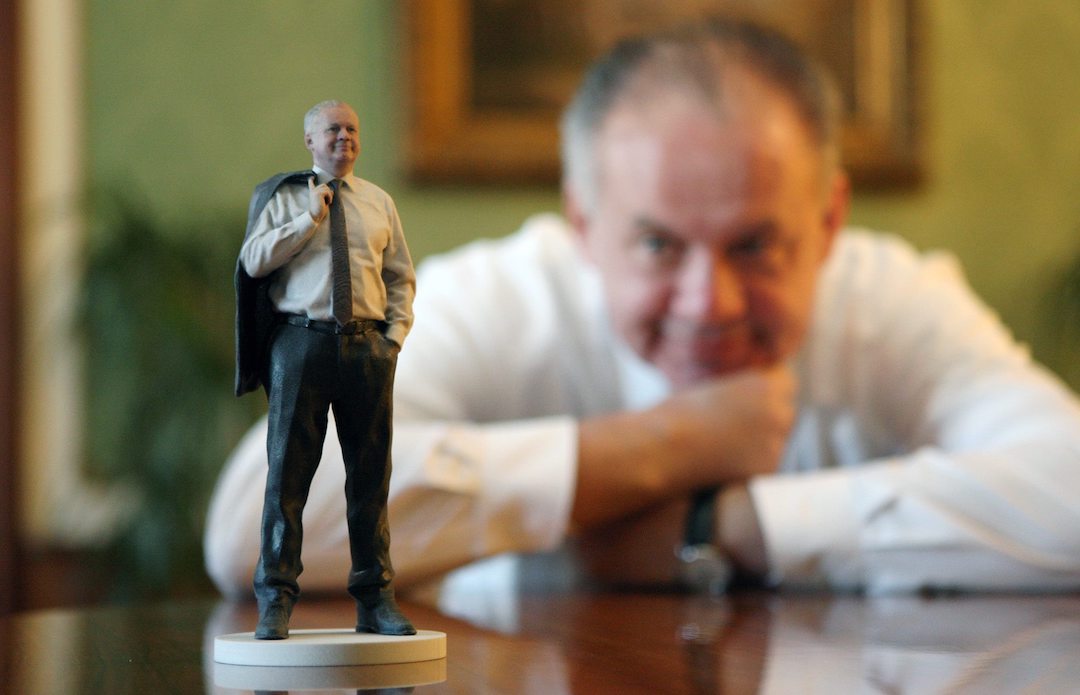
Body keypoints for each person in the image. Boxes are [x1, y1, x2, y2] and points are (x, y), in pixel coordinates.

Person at [209, 19, 1080, 604]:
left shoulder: (887, 296)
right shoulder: (502, 298)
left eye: (755, 245)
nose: (711, 302)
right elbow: (251, 522)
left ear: (827, 224)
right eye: (659, 244)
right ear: (584, 225)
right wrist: (665, 445)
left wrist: (724, 528)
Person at [234, 100, 416, 638]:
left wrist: (393, 338)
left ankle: (375, 598)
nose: (344, 137)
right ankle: (275, 598)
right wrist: (309, 217)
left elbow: (399, 276)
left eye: (352, 128)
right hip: (301, 345)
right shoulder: (285, 197)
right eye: (332, 129)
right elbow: (254, 260)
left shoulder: (379, 202)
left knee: (370, 479)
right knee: (287, 479)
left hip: (366, 349)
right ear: (310, 141)